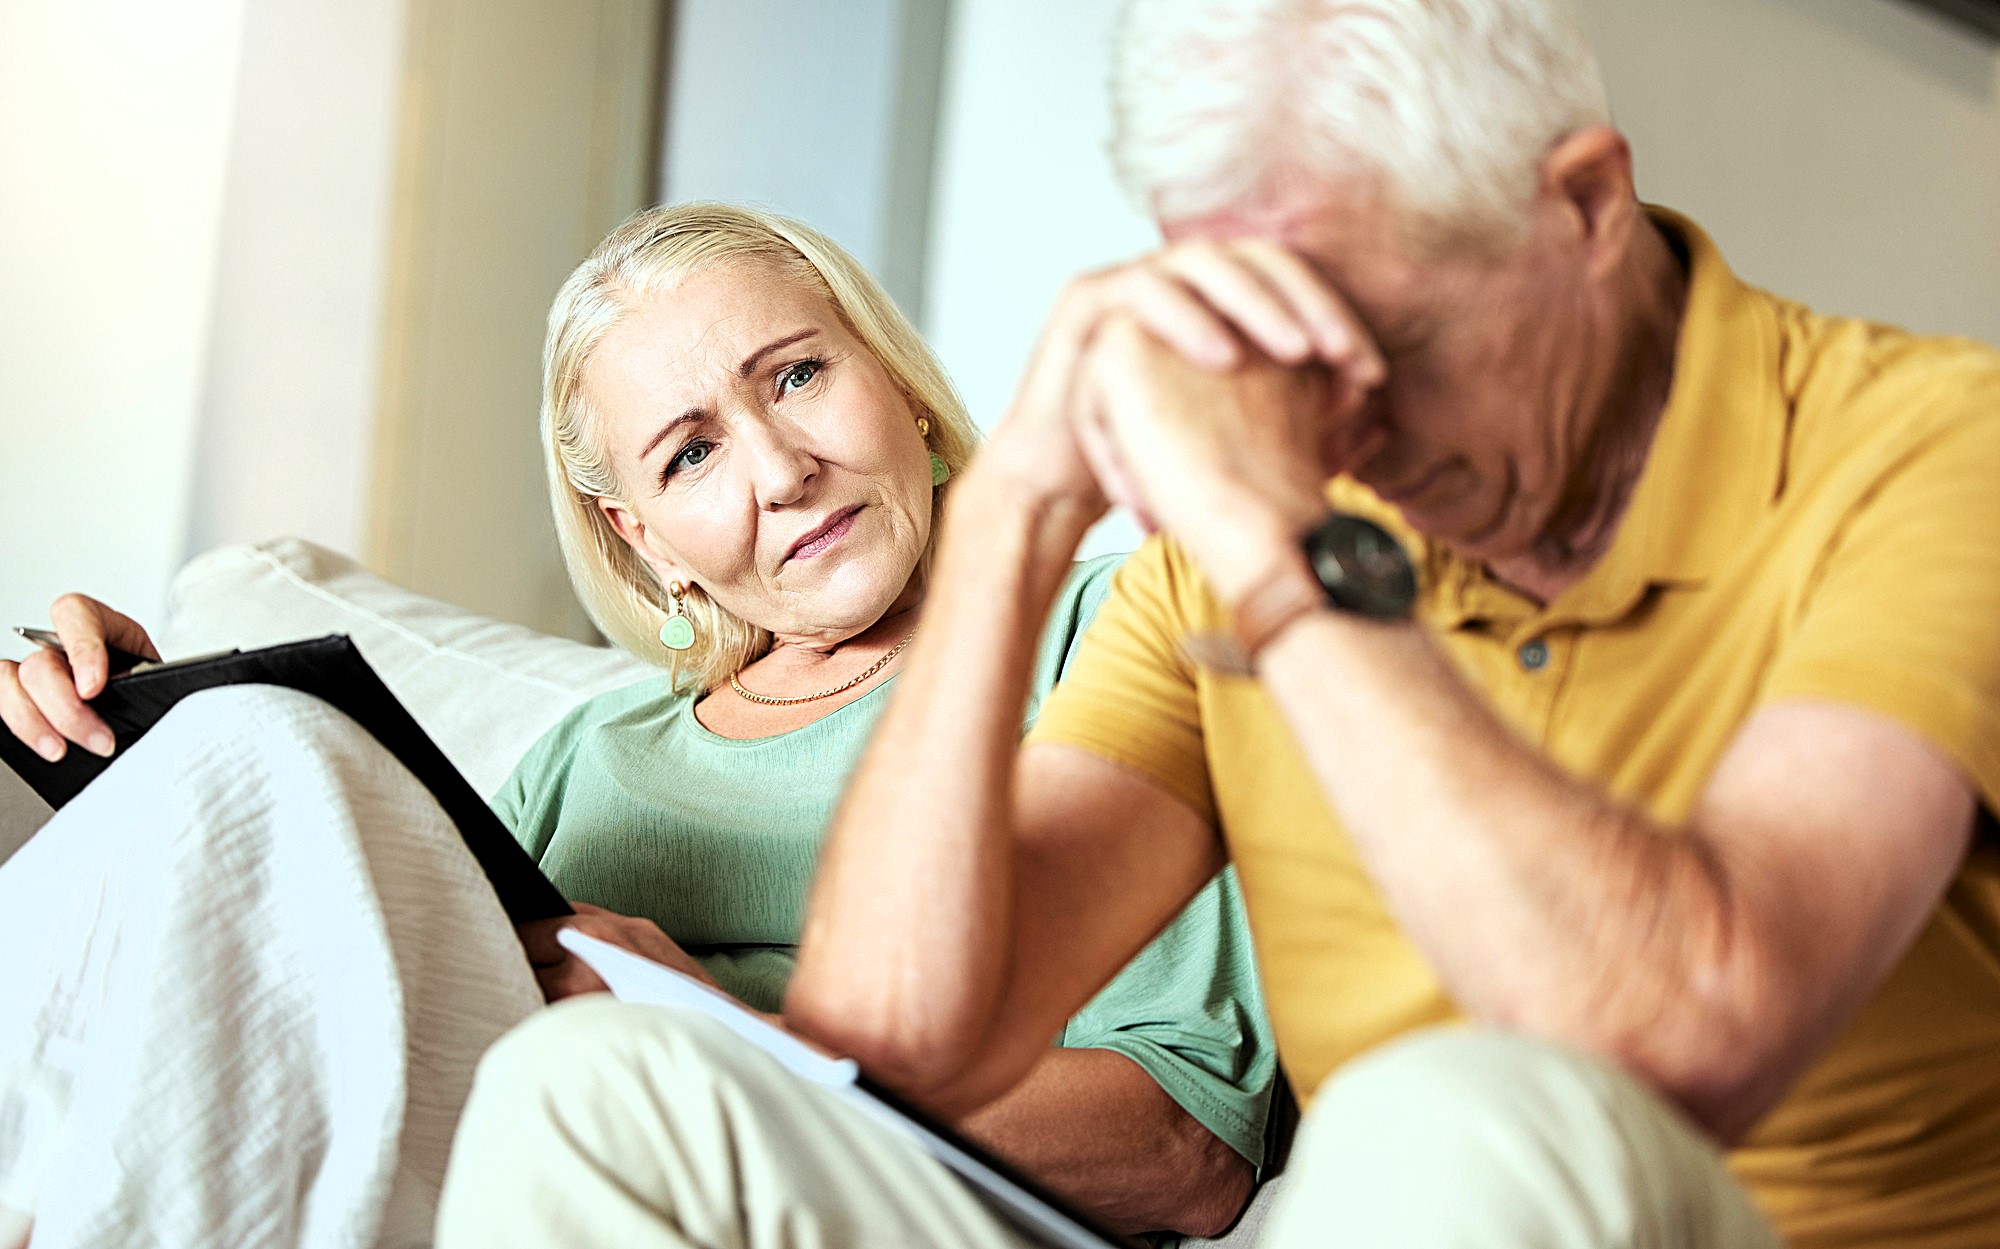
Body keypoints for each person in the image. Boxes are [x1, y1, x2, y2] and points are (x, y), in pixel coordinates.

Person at [436, 2, 2000, 1248]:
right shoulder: (1213, 566)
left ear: (1581, 205)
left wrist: (1289, 553)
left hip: (1705, 1212)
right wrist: (1024, 506)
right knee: (598, 1093)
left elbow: (1684, 1035)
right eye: (1261, 328)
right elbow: (894, 1041)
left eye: (1372, 333)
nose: (1326, 418)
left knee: (1461, 1112)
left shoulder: (1936, 452)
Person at [0, 203, 1275, 1247]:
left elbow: (1183, 1151)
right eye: (689, 456)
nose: (781, 469)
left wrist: (736, 1036)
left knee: (267, 752)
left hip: (894, 1200)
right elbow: (341, 1002)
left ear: (895, 382)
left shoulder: (1111, 635)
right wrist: (139, 752)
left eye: (797, 374)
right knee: (245, 760)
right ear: (644, 540)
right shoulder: (593, 762)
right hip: (502, 1189)